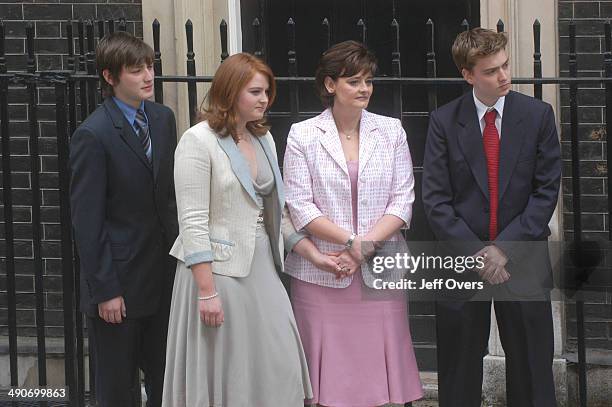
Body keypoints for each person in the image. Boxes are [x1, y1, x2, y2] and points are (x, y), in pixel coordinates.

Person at [162, 53, 333, 406]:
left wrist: (315, 255)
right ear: (230, 91)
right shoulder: (197, 141)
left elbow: (277, 214)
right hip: (216, 273)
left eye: (267, 91)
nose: (264, 99)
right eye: (255, 91)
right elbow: (192, 221)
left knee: (279, 356)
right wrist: (206, 291)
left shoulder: (263, 139)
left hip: (261, 266)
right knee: (229, 371)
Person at [422, 28, 561, 407]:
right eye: (490, 71)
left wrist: (504, 250)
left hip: (523, 259)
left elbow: (546, 191)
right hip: (462, 261)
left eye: (505, 66)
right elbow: (436, 200)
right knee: (459, 367)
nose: (503, 77)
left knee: (533, 365)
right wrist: (479, 254)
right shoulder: (444, 121)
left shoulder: (537, 116)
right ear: (468, 75)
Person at [283, 40, 424, 406]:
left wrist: (365, 248)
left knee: (380, 379)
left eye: (368, 81)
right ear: (330, 85)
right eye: (354, 82)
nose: (364, 89)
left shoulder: (392, 131)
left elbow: (403, 200)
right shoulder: (303, 135)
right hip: (323, 271)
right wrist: (350, 242)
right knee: (328, 383)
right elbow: (299, 205)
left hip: (380, 271)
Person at [70, 31, 178, 407]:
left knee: (167, 382)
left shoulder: (164, 119)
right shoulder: (92, 135)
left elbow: (168, 199)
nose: (148, 76)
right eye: (136, 70)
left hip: (163, 278)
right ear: (110, 77)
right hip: (118, 286)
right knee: (117, 390)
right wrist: (106, 291)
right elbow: (88, 222)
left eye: (149, 66)